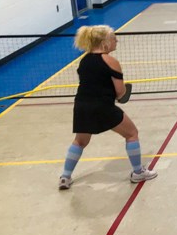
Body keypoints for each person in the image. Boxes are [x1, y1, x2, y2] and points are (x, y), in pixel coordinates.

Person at [58, 25, 158, 190]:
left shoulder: (84, 60)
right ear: (104, 42)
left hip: (82, 105)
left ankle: (65, 177)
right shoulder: (111, 61)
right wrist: (124, 91)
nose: (116, 40)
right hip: (102, 106)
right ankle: (138, 172)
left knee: (80, 141)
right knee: (132, 133)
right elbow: (120, 93)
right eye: (113, 38)